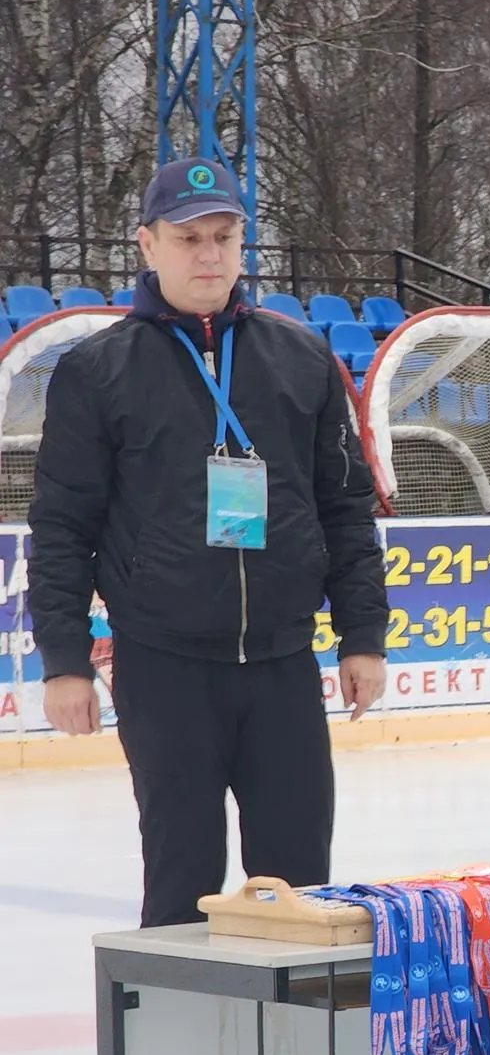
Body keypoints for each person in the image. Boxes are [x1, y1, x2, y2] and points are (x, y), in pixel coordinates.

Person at [28, 158, 388, 928]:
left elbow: (346, 507)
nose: (208, 255)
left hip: (283, 664)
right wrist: (63, 661)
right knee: (182, 880)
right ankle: (173, 1040)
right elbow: (61, 525)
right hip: (165, 666)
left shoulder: (301, 358)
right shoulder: (97, 370)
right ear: (147, 245)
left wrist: (363, 636)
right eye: (188, 237)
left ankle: (291, 1041)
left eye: (224, 237)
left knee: (298, 890)